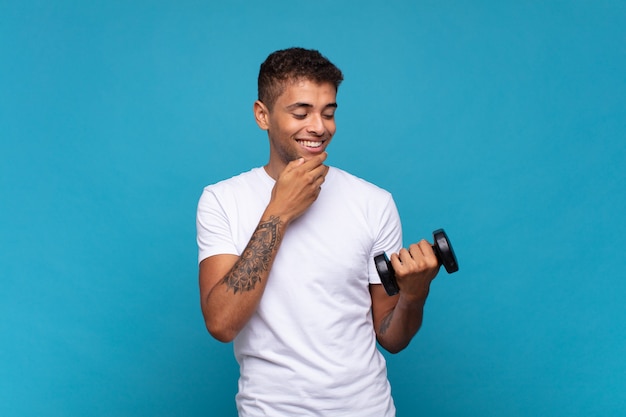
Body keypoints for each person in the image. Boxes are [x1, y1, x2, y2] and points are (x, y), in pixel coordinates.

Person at [196, 47, 441, 416]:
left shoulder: (374, 202)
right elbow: (221, 322)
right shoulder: (221, 200)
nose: (319, 127)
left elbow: (392, 336)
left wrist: (414, 295)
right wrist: (278, 212)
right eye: (301, 112)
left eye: (329, 113)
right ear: (263, 115)